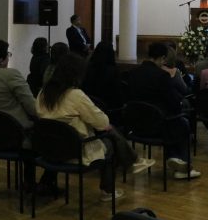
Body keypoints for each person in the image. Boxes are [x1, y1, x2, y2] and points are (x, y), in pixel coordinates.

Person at [36, 52, 155, 202]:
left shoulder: (42, 93)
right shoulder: (75, 95)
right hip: (76, 151)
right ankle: (108, 189)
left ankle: (133, 161)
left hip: (49, 148)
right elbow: (102, 122)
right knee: (110, 142)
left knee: (103, 133)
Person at [0, 39, 56, 192]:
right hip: (18, 137)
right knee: (56, 138)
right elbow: (32, 107)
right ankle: (46, 184)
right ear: (2, 60)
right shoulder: (11, 75)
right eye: (8, 55)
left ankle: (31, 182)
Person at [128, 42, 200, 179]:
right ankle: (182, 166)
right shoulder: (161, 76)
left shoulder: (133, 73)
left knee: (172, 122)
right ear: (162, 58)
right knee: (183, 122)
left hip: (136, 124)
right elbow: (173, 103)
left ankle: (174, 158)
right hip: (157, 125)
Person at [81, 42, 124, 108]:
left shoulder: (87, 69)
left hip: (88, 106)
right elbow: (118, 96)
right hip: (108, 110)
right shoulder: (113, 71)